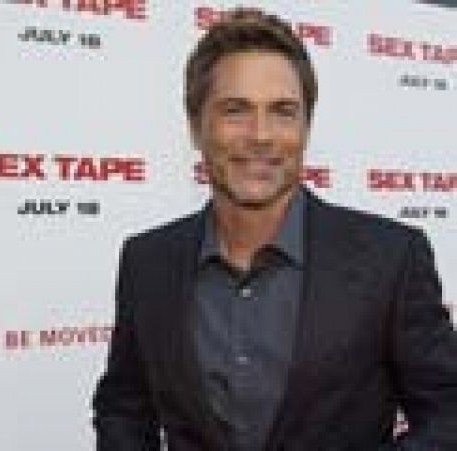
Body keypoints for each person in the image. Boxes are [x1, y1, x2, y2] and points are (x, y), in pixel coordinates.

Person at [92, 7, 457, 450]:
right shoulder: (147, 261)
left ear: (306, 127)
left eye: (283, 112)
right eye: (235, 110)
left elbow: (447, 411)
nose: (261, 135)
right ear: (195, 127)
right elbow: (124, 408)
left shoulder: (392, 258)